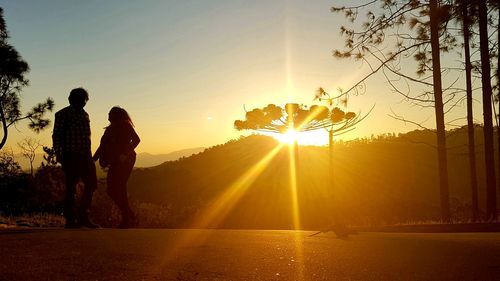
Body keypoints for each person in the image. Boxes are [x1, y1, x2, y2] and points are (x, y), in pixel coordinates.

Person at [53, 87, 99, 228]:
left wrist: (90, 156)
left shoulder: (85, 115)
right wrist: (59, 154)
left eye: (84, 100)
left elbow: (86, 138)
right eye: (79, 99)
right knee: (71, 188)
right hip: (71, 155)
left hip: (85, 156)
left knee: (91, 185)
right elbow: (57, 135)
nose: (83, 102)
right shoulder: (62, 114)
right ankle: (71, 219)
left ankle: (82, 216)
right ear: (71, 99)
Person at [93, 106, 140, 228]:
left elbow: (136, 140)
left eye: (110, 114)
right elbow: (102, 146)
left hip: (126, 160)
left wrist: (125, 154)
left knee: (119, 186)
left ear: (116, 115)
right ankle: (129, 215)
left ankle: (126, 219)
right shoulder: (109, 129)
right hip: (116, 161)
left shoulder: (125, 125)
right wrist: (94, 158)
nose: (108, 116)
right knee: (112, 189)